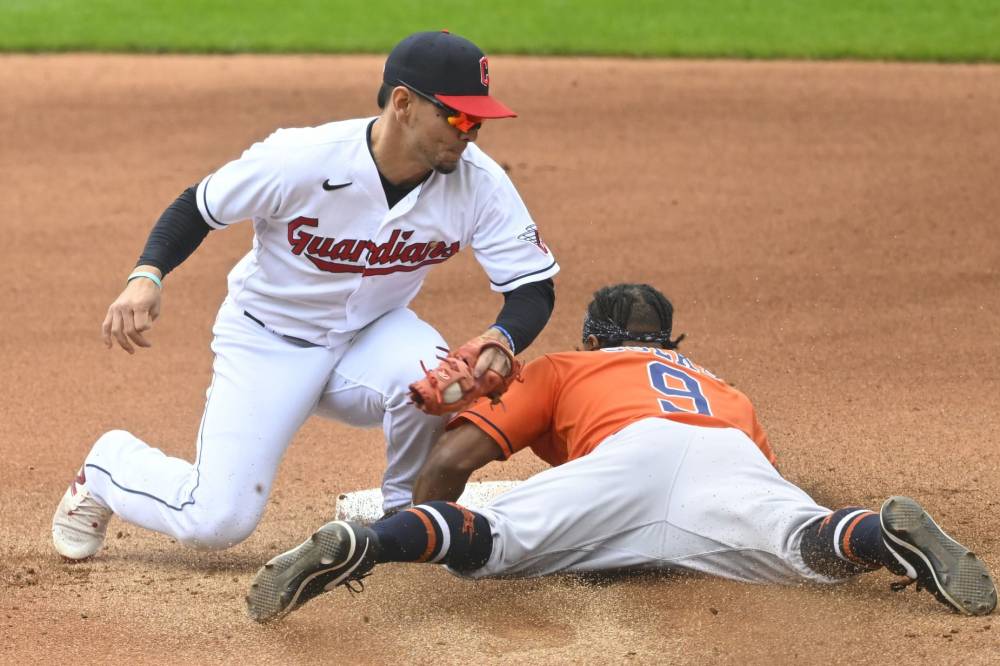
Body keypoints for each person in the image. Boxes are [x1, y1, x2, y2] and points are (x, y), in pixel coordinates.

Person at [51, 31, 558, 560]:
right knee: (217, 522)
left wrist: (502, 337)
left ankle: (402, 518)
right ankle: (109, 467)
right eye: (457, 117)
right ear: (404, 104)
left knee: (436, 379)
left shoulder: (480, 183)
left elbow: (532, 287)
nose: (470, 133)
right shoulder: (301, 158)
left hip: (373, 336)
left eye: (478, 121)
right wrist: (147, 275)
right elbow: (198, 206)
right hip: (269, 341)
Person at [245, 283, 998, 622]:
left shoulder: (569, 366)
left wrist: (420, 516)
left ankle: (365, 544)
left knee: (492, 542)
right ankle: (882, 535)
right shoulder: (720, 386)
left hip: (624, 462)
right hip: (726, 454)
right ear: (671, 343)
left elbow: (452, 459)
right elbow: (763, 479)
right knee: (807, 544)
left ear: (592, 336)